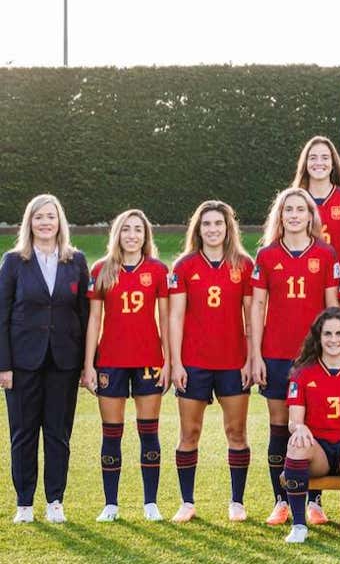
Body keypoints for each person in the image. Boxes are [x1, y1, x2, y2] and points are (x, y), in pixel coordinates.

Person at [250, 187, 340, 526]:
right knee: (279, 427)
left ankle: (314, 500)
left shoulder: (326, 253)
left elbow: (333, 308)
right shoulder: (267, 255)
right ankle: (282, 500)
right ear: (280, 215)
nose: (293, 215)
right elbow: (258, 306)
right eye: (287, 209)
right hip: (275, 353)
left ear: (309, 215)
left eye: (300, 209)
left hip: (314, 357)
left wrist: (334, 351)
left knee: (310, 427)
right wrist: (255, 355)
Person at [0, 194, 89, 524]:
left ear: (60, 221)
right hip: (22, 363)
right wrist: (3, 365)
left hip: (64, 362)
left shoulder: (75, 261)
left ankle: (55, 500)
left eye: (51, 216)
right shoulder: (13, 261)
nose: (45, 223)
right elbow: (2, 315)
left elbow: (84, 313)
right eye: (39, 217)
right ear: (29, 223)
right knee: (22, 434)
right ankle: (24, 502)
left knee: (57, 433)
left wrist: (84, 365)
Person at [167, 200, 255, 523]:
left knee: (237, 431)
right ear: (198, 228)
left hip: (233, 361)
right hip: (194, 362)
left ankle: (237, 501)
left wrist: (250, 358)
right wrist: (176, 362)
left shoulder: (244, 264)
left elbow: (251, 316)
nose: (213, 229)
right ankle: (187, 502)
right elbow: (175, 317)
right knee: (189, 432)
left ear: (228, 227)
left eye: (219, 223)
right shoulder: (184, 265)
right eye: (207, 224)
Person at [80, 209, 171, 522]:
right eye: (126, 230)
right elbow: (94, 319)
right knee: (112, 433)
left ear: (146, 236)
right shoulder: (101, 269)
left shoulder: (158, 270)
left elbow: (167, 319)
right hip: (111, 361)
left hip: (148, 360)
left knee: (149, 432)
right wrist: (88, 365)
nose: (132, 236)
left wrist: (169, 360)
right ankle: (111, 504)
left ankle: (150, 503)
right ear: (116, 234)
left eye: (138, 230)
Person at [280, 308, 340, 544]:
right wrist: (299, 428)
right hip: (319, 451)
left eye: (339, 333)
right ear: (318, 337)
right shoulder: (302, 372)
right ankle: (299, 526)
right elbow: (294, 419)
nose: (333, 339)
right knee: (296, 444)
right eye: (327, 334)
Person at [291, 135, 340, 263]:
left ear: (333, 163)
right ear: (305, 163)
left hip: (338, 281)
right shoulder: (293, 200)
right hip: (302, 279)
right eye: (313, 158)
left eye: (325, 158)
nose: (319, 163)